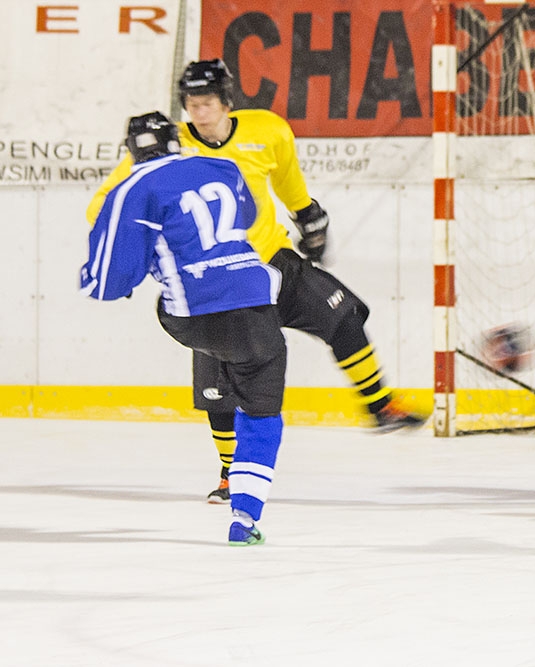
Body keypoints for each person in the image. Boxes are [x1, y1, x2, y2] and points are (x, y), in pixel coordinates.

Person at [88, 60, 427, 503]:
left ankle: (379, 405)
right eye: (191, 104)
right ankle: (230, 473)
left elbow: (287, 180)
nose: (199, 113)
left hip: (274, 260)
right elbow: (105, 204)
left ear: (227, 101)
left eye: (207, 103)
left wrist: (306, 213)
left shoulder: (268, 130)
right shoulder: (170, 146)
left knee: (343, 314)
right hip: (215, 279)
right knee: (220, 381)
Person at [82, 112, 284, 545]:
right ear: (176, 140)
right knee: (262, 412)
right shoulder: (225, 167)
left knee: (184, 311)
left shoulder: (133, 186)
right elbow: (247, 216)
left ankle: (219, 371)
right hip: (258, 305)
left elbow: (110, 282)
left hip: (193, 317)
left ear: (131, 150)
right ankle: (245, 519)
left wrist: (97, 278)